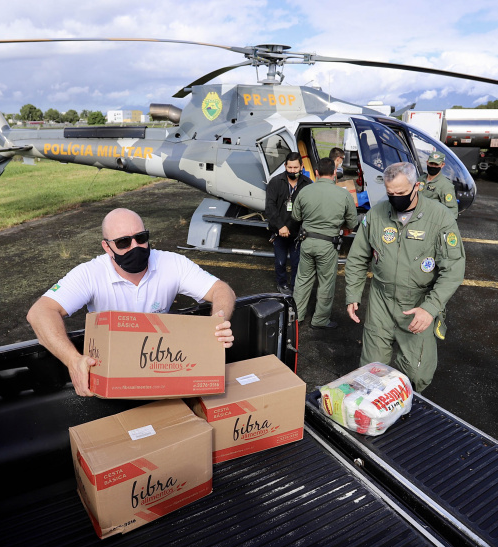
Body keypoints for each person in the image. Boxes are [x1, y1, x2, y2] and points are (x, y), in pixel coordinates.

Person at [27, 208, 236, 397]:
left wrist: (217, 323)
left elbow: (221, 290)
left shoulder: (173, 264)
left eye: (141, 238)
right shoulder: (89, 274)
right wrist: (73, 360)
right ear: (107, 247)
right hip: (113, 369)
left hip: (161, 362)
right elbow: (40, 312)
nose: (135, 247)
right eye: (123, 243)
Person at [344, 161, 465, 392]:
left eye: (401, 193)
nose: (395, 198)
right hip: (381, 299)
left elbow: (454, 269)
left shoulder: (439, 218)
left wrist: (431, 307)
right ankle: (376, 415)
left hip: (417, 302)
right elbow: (358, 257)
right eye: (390, 193)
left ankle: (402, 404)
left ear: (417, 186)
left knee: (417, 375)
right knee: (370, 373)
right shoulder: (377, 214)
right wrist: (353, 295)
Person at [291, 157, 357, 329]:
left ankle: (296, 317)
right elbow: (352, 223)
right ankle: (320, 319)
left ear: (317, 173)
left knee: (303, 280)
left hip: (306, 241)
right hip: (328, 245)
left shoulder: (304, 191)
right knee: (326, 283)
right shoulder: (343, 194)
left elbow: (296, 217)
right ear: (335, 173)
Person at [265, 152, 313, 295]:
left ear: (301, 167)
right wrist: (280, 226)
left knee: (297, 262)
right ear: (285, 166)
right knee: (280, 262)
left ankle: (295, 287)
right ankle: (282, 284)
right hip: (280, 231)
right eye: (290, 167)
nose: (292, 171)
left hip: (298, 233)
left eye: (295, 168)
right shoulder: (275, 182)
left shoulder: (308, 184)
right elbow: (270, 207)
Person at [418, 151, 458, 219]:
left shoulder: (446, 185)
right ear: (427, 162)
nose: (433, 166)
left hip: (433, 221)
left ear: (442, 165)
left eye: (436, 164)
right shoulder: (420, 179)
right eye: (431, 163)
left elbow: (451, 210)